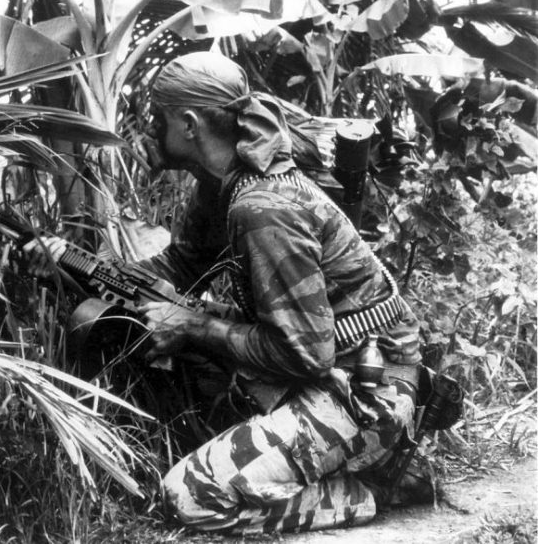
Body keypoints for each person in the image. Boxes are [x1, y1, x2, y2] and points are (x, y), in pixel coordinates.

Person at [31, 51, 425, 535]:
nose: (152, 128)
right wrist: (73, 264)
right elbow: (179, 269)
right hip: (322, 366)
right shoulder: (223, 185)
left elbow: (306, 355)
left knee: (192, 497)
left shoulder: (262, 207)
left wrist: (195, 326)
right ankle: (323, 461)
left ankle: (377, 487)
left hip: (364, 390)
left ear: (190, 124)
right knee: (180, 318)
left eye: (159, 117)